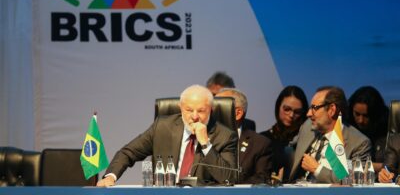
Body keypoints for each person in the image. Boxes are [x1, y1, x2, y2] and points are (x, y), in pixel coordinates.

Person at [96, 85, 238, 187]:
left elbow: (229, 179)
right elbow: (128, 152)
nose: (194, 117)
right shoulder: (162, 127)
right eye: (189, 110)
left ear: (211, 110)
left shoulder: (225, 136)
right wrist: (110, 176)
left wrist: (206, 144)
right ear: (180, 108)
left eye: (201, 111)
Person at [288, 86, 372, 183]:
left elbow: (352, 181)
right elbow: (289, 150)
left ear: (332, 110)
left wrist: (317, 169)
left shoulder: (358, 143)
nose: (308, 114)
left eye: (314, 108)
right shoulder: (308, 127)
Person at [216, 88, 273, 184]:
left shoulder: (260, 144)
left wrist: (230, 183)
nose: (211, 111)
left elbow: (261, 180)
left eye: (218, 107)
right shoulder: (201, 138)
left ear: (237, 113)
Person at [259, 85, 308, 181]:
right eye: (287, 109)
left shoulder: (308, 141)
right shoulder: (262, 139)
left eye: (297, 112)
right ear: (278, 107)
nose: (291, 115)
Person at [347, 86, 389, 171]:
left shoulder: (388, 132)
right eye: (357, 114)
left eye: (366, 116)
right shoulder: (346, 128)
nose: (361, 120)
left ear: (376, 113)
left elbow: (392, 166)